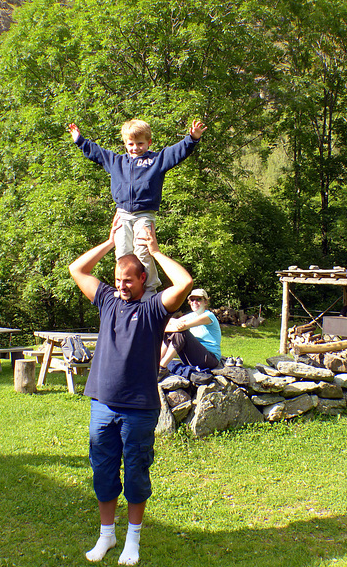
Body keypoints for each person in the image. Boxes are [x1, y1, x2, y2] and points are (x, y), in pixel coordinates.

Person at [69, 216, 193, 564]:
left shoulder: (153, 309)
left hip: (139, 407)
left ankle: (133, 541)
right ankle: (106, 536)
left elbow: (184, 282)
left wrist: (154, 250)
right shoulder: (107, 300)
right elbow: (76, 269)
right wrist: (110, 242)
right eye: (118, 280)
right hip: (102, 404)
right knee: (103, 470)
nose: (122, 285)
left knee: (136, 471)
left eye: (129, 280)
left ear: (143, 279)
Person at [69, 118, 206, 298]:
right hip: (123, 214)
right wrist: (79, 140)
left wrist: (192, 138)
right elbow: (97, 153)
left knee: (143, 250)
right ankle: (124, 287)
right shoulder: (116, 162)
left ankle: (149, 288)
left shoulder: (156, 160)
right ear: (125, 144)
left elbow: (176, 153)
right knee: (122, 252)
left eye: (140, 143)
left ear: (148, 143)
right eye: (131, 144)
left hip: (144, 214)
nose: (135, 148)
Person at [159, 288, 221, 377]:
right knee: (170, 333)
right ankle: (156, 362)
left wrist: (173, 322)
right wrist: (173, 320)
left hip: (209, 359)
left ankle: (162, 367)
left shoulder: (208, 316)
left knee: (181, 333)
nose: (194, 302)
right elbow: (165, 326)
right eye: (192, 299)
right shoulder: (191, 315)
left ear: (205, 302)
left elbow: (182, 328)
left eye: (198, 299)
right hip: (194, 357)